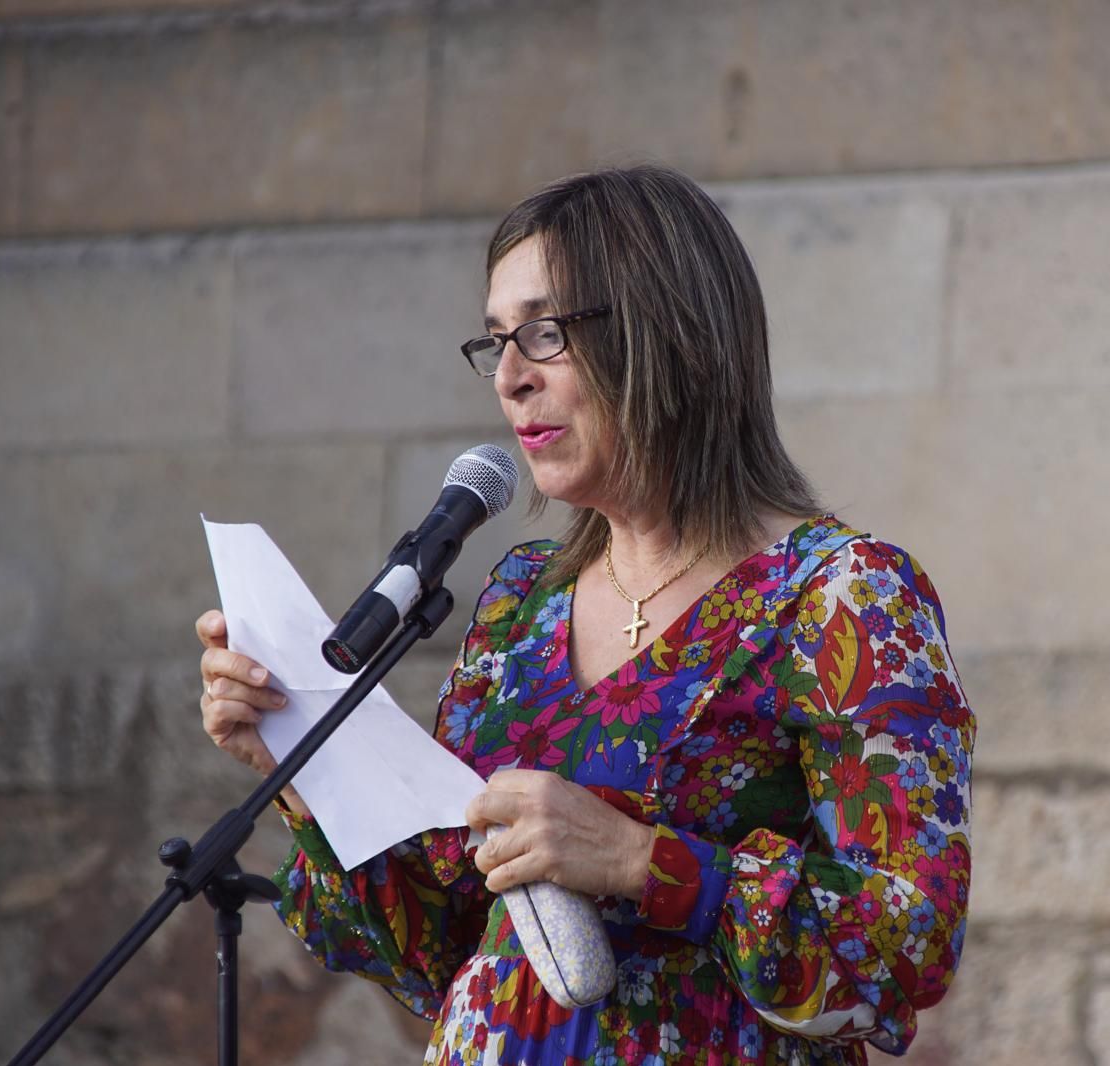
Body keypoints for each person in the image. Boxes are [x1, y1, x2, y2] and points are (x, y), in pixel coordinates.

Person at [196, 164, 974, 1064]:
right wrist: (300, 765)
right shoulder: (522, 602)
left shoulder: (846, 597)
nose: (510, 378)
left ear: (669, 336)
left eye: (544, 332)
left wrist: (646, 863)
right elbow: (438, 949)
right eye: (497, 342)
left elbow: (901, 954)